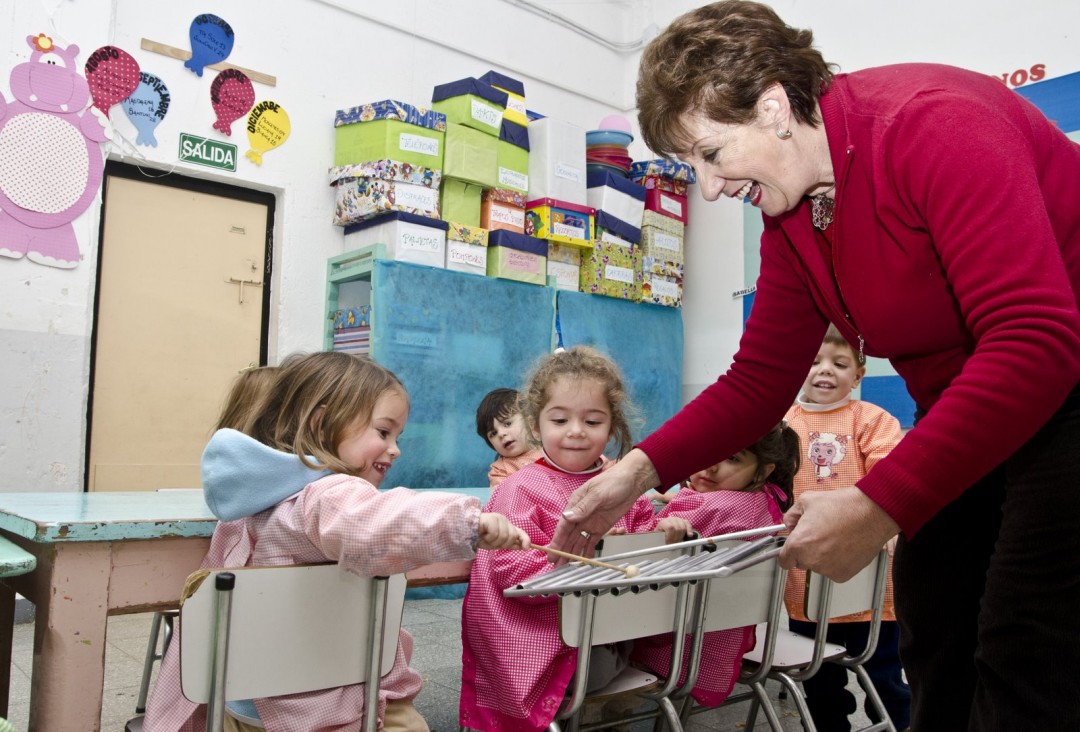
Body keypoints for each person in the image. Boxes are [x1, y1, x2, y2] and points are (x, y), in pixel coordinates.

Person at [551, 2, 1080, 729]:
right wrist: (634, 472)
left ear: (773, 106)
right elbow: (758, 382)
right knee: (938, 620)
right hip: (979, 398)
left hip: (1065, 386)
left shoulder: (935, 126)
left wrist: (878, 503)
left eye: (709, 154)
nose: (708, 187)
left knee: (1030, 639)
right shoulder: (795, 213)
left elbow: (1035, 339)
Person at [144, 352, 530, 732]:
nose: (396, 449)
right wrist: (466, 523)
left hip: (235, 704)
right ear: (322, 421)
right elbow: (374, 524)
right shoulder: (328, 496)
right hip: (337, 707)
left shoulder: (242, 510)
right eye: (383, 432)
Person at [459, 346, 657, 732]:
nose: (576, 431)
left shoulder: (624, 482)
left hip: (615, 643)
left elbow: (649, 538)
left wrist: (661, 532)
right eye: (560, 419)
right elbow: (510, 573)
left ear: (613, 425)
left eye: (593, 420)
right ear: (536, 423)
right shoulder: (519, 489)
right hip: (557, 650)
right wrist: (583, 557)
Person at [784, 324, 909, 732]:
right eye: (815, 361)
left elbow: (889, 478)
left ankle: (899, 724)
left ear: (858, 375)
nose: (825, 370)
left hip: (872, 584)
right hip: (805, 580)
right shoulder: (783, 423)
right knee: (818, 680)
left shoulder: (872, 419)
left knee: (884, 675)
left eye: (839, 364)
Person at [632, 422, 797, 709]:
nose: (709, 467)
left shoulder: (713, 508)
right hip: (726, 640)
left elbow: (633, 551)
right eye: (706, 452)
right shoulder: (767, 501)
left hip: (680, 647)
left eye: (732, 458)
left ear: (764, 470)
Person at [475, 387, 543, 486]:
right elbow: (502, 497)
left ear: (530, 421)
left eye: (507, 424)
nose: (501, 434)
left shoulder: (551, 452)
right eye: (493, 433)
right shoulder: (500, 471)